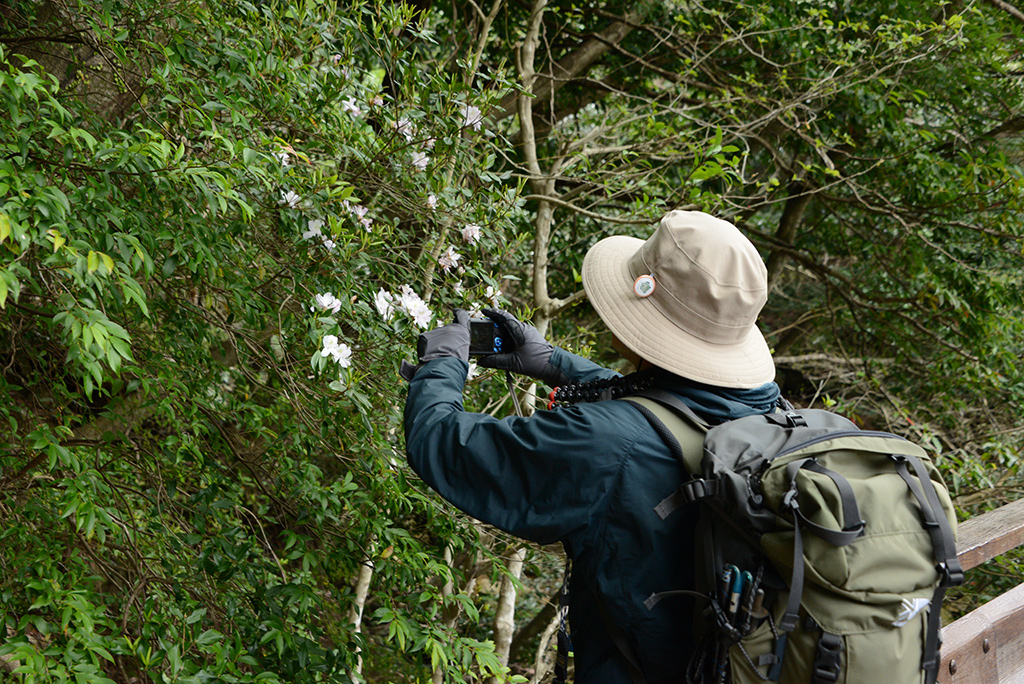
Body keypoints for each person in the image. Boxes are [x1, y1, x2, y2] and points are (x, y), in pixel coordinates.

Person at [403, 210, 783, 683]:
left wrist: (442, 363)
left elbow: (441, 442)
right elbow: (674, 410)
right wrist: (555, 364)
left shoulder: (604, 444)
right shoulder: (771, 415)